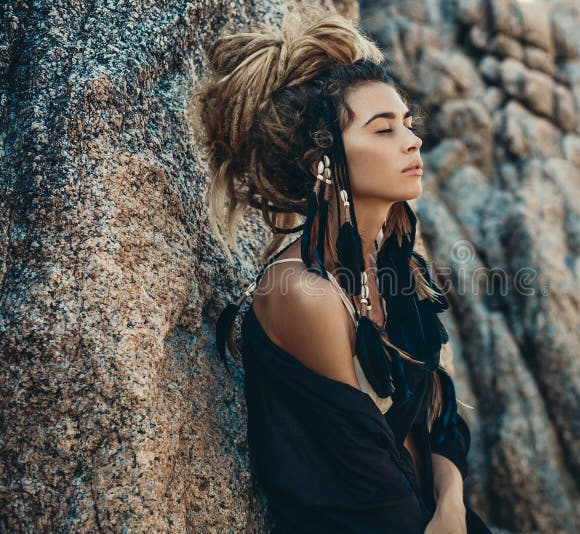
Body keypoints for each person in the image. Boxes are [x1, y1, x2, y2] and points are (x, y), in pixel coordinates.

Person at [190, 3, 491, 533]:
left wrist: (451, 506)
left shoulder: (394, 265)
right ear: (322, 164)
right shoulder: (304, 293)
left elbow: (439, 421)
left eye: (407, 122)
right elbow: (368, 487)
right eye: (383, 130)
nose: (413, 140)